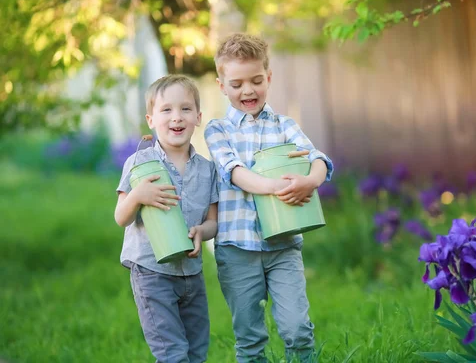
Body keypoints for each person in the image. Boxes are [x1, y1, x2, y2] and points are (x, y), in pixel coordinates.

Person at [204, 33, 334, 363]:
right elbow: (233, 172)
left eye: (256, 80)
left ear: (269, 78)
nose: (248, 90)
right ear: (221, 85)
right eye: (236, 84)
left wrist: (310, 181)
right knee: (249, 338)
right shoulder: (218, 130)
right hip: (237, 249)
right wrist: (275, 186)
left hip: (284, 245)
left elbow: (317, 157)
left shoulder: (285, 125)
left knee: (297, 330)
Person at [114, 74, 218, 363]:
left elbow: (213, 221)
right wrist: (137, 196)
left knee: (197, 350)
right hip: (151, 273)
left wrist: (201, 231)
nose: (177, 117)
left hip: (191, 274)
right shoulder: (139, 163)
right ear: (151, 119)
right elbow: (121, 217)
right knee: (172, 353)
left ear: (198, 117)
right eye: (166, 110)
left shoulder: (207, 170)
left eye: (185, 109)